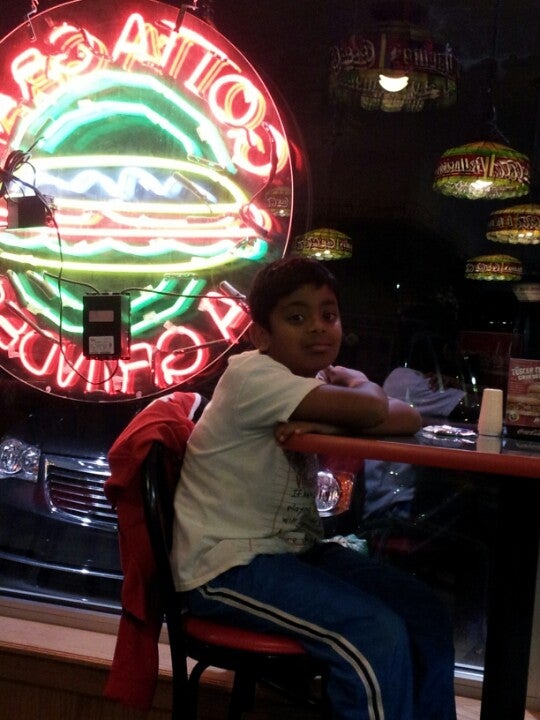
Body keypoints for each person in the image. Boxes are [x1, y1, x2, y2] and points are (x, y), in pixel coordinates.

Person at [170, 257, 457, 720]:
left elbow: (408, 417)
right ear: (261, 334)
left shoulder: (310, 381)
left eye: (329, 315)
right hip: (226, 567)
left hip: (288, 552)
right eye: (297, 317)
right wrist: (359, 390)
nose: (318, 327)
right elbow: (373, 411)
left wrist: (338, 415)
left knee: (424, 612)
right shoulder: (252, 376)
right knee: (374, 633)